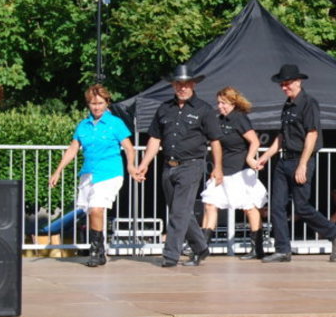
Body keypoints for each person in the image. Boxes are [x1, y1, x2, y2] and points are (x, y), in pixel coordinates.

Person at [252, 63, 336, 263]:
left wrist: (303, 164)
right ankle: (282, 250)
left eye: (287, 83)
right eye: (281, 84)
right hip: (283, 160)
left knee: (302, 206)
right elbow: (282, 136)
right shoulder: (287, 105)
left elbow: (312, 135)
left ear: (298, 82)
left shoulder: (309, 103)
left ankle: (335, 232)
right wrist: (265, 156)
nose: (284, 87)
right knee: (276, 206)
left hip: (300, 159)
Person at [132, 65, 224, 268]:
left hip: (191, 165)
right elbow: (155, 139)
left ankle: (170, 254)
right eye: (178, 84)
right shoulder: (164, 108)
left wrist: (218, 168)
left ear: (193, 85)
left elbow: (215, 141)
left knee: (179, 212)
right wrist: (144, 164)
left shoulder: (204, 109)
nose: (182, 88)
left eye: (186, 84)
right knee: (180, 211)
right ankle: (201, 247)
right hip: (168, 165)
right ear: (173, 85)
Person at [47, 84, 138, 267]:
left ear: (107, 103)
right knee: (91, 212)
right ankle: (100, 249)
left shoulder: (115, 123)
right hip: (89, 173)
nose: (96, 107)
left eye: (100, 103)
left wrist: (130, 166)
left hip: (110, 172)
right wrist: (58, 171)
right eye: (93, 104)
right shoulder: (83, 125)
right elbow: (73, 149)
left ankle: (95, 250)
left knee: (97, 209)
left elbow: (129, 148)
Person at [199, 86, 269, 260]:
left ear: (233, 102)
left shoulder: (239, 118)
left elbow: (254, 141)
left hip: (240, 171)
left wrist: (250, 158)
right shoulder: (219, 120)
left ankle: (257, 248)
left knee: (249, 208)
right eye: (218, 103)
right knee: (209, 204)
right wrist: (216, 167)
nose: (220, 106)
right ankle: (202, 247)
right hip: (222, 170)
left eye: (223, 103)